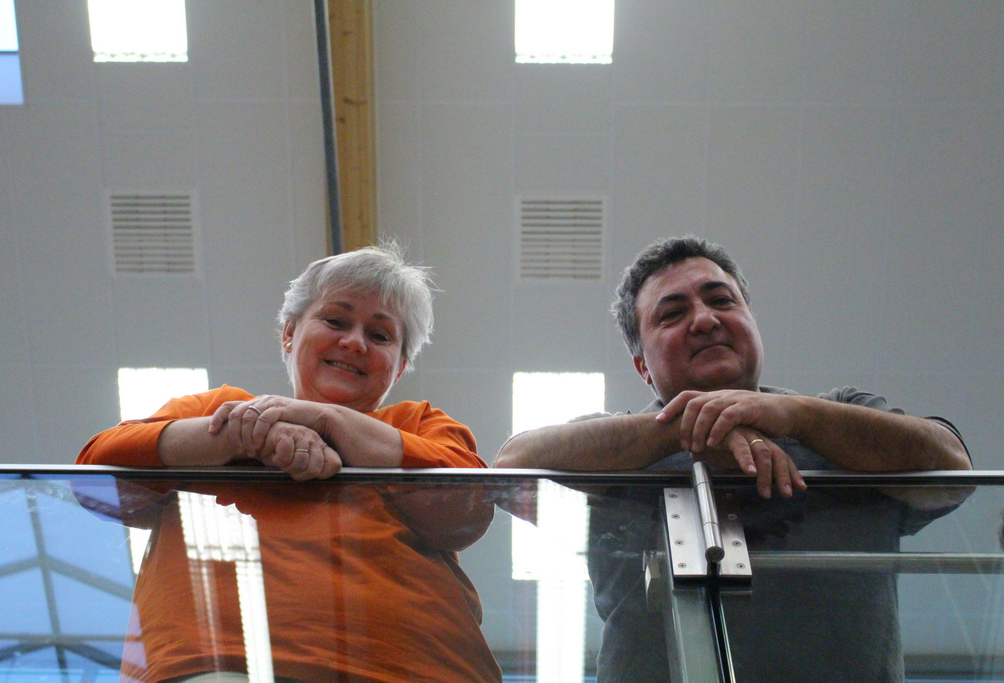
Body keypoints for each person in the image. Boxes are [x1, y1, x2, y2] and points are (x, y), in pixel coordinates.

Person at [494, 235, 972, 682]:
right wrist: (685, 427)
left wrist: (798, 415)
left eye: (722, 301)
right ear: (642, 367)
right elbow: (508, 469)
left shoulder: (839, 416)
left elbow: (954, 470)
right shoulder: (609, 449)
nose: (705, 320)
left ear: (752, 324)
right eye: (672, 314)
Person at [77, 243, 502, 683]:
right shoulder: (215, 409)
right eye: (335, 321)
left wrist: (325, 420)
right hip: (215, 664)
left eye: (380, 335)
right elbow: (95, 472)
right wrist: (246, 434)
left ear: (398, 368)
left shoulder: (419, 423)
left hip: (417, 670)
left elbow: (470, 506)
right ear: (289, 333)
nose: (354, 342)